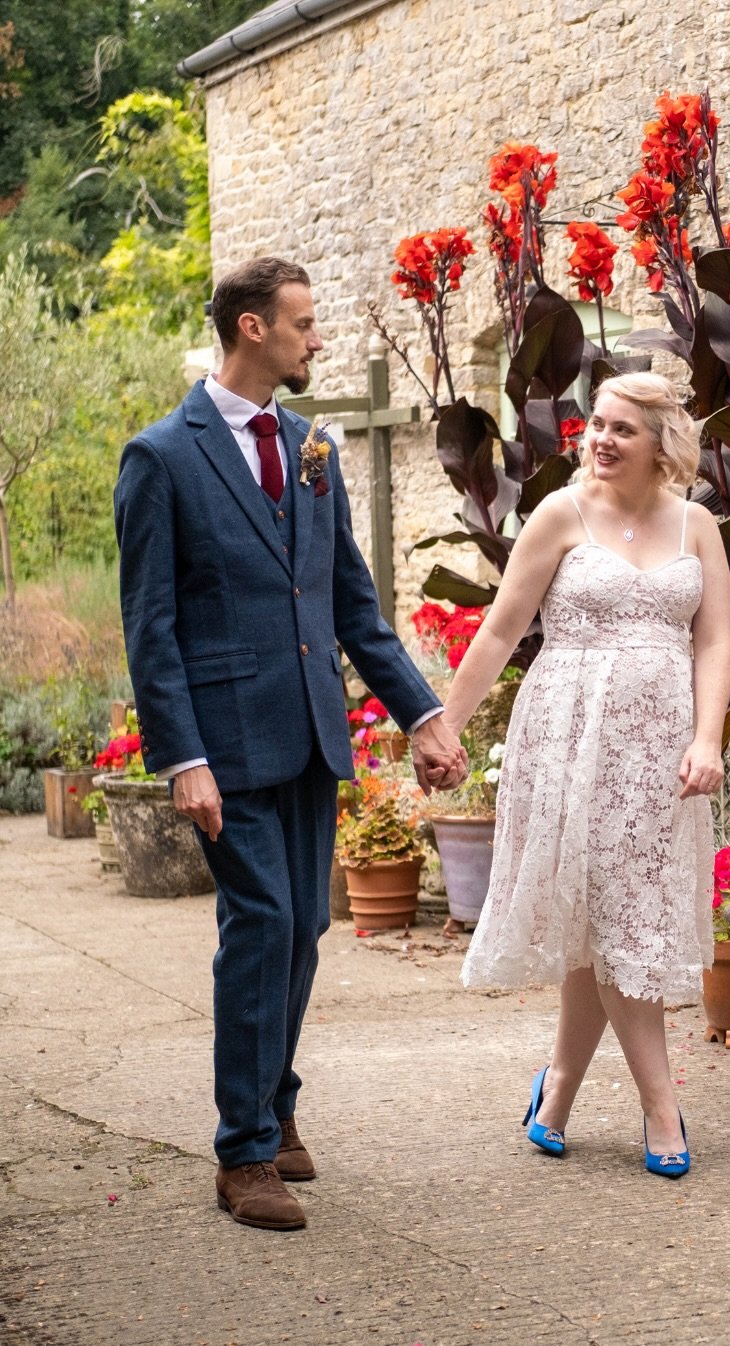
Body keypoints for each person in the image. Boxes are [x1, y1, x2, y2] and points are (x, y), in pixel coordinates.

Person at [114, 257, 467, 1231]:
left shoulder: (312, 446)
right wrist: (182, 756)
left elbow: (352, 601)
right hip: (223, 743)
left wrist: (422, 714)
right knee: (263, 923)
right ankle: (243, 1152)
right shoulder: (162, 457)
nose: (317, 341)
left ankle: (275, 1102)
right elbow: (151, 625)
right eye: (304, 325)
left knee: (306, 923)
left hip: (310, 731)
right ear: (252, 329)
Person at [442, 371, 730, 1177]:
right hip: (568, 740)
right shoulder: (560, 514)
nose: (599, 440)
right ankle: (661, 1105)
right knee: (604, 911)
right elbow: (501, 631)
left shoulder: (697, 526)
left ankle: (559, 1086)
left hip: (661, 751)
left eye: (621, 430)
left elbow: (713, 644)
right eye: (595, 424)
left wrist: (708, 739)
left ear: (661, 444)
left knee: (611, 917)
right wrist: (444, 729)